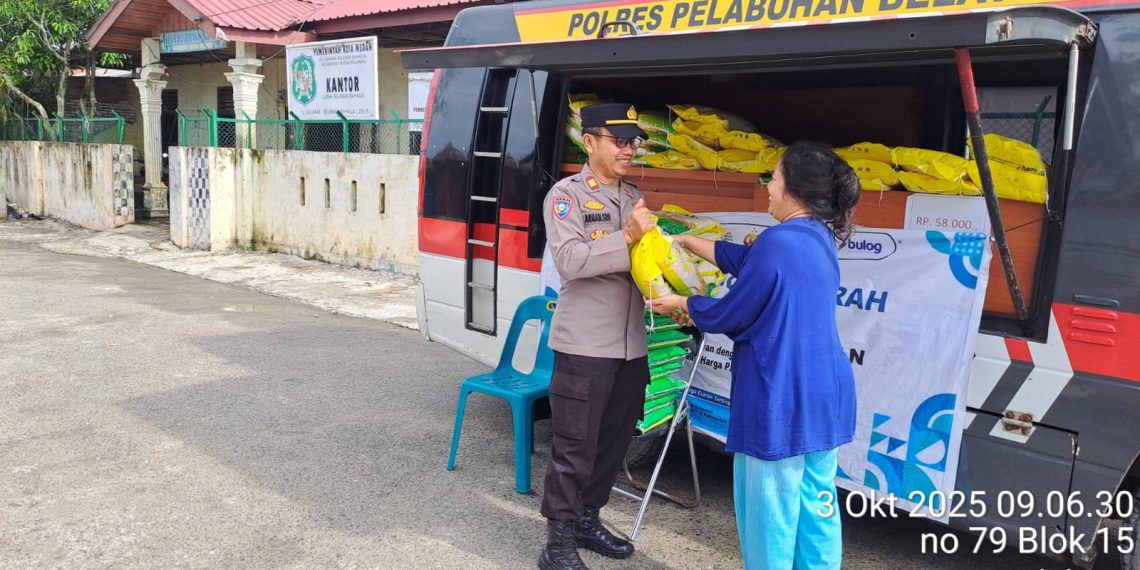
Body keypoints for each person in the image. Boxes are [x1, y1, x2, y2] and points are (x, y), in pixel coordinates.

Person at [648, 141, 861, 570]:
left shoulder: (779, 241)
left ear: (795, 190)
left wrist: (683, 304)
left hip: (781, 393)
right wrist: (689, 242)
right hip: (825, 393)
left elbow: (733, 312)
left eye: (774, 178)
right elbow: (750, 262)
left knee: (770, 514)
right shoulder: (817, 236)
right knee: (817, 506)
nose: (768, 187)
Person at [538, 103, 657, 570]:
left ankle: (588, 519)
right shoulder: (565, 196)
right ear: (589, 142)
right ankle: (557, 543)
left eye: (634, 142)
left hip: (630, 345)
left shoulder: (633, 196)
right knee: (575, 446)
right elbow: (569, 262)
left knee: (613, 441)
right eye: (619, 141)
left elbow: (644, 263)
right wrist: (626, 237)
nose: (629, 150)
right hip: (585, 346)